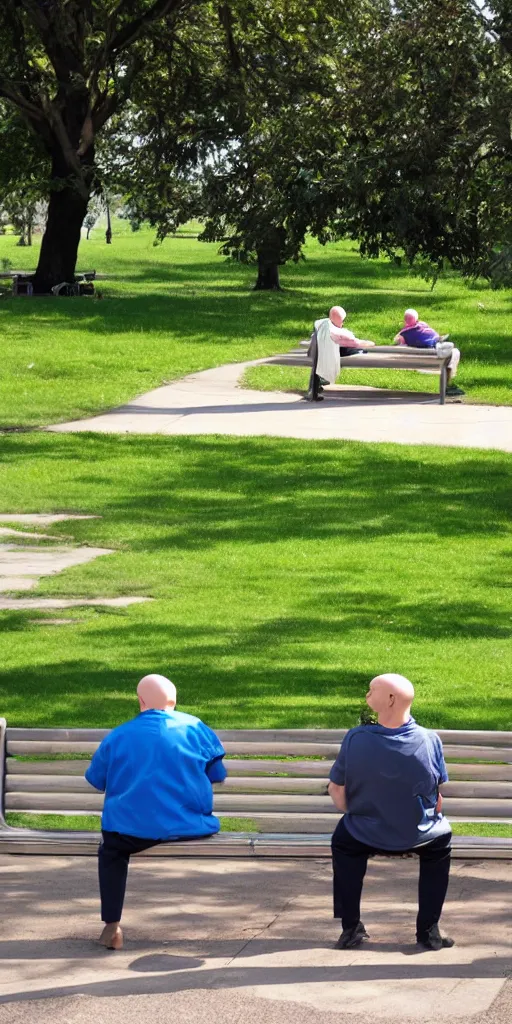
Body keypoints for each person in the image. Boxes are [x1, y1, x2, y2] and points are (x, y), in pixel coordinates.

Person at [85, 673, 226, 950]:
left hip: (129, 831)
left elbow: (96, 781)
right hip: (190, 826)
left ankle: (112, 925)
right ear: (175, 701)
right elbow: (217, 775)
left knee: (111, 851)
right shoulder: (196, 728)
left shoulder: (118, 735)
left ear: (140, 701)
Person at [329, 673, 453, 952]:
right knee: (440, 847)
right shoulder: (430, 740)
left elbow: (337, 790)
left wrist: (357, 812)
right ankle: (428, 930)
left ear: (390, 700)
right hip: (420, 833)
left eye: (371, 691)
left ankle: (350, 928)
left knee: (343, 844)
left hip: (365, 831)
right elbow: (437, 796)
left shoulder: (356, 738)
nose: (366, 696)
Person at [307, 305, 375, 401]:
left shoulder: (322, 326)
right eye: (342, 320)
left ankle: (314, 389)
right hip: (334, 353)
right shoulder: (337, 332)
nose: (343, 323)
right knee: (360, 351)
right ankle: (321, 381)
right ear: (341, 320)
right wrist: (369, 343)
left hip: (319, 353)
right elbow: (354, 343)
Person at [394, 308, 464, 397]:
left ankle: (439, 341)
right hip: (436, 357)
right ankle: (447, 385)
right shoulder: (423, 326)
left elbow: (400, 343)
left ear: (405, 320)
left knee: (447, 349)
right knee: (453, 353)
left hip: (412, 358)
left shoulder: (404, 333)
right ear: (417, 319)